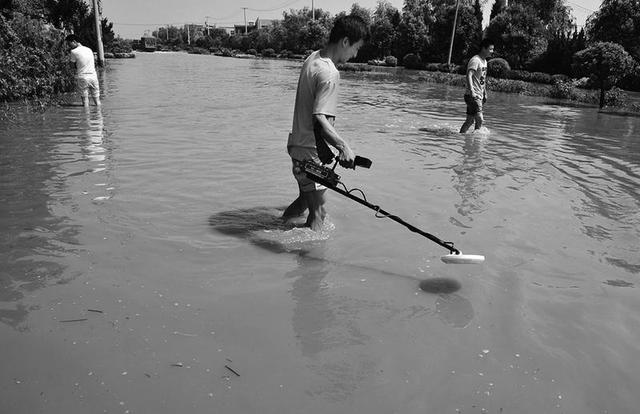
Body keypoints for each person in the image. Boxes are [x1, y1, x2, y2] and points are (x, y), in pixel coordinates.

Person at [282, 15, 368, 231]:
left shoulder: (313, 58)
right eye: (356, 48)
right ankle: (312, 262)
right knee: (318, 214)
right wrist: (343, 146)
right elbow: (319, 118)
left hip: (298, 149)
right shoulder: (330, 72)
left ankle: (277, 226)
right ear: (345, 41)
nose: (355, 55)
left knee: (304, 202)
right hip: (310, 154)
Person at [460, 38, 494, 133]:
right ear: (484, 48)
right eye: (490, 49)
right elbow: (469, 75)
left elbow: (482, 79)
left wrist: (485, 93)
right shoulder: (475, 60)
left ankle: (462, 136)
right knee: (480, 119)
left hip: (479, 94)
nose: (492, 51)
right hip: (473, 95)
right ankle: (476, 140)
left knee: (470, 121)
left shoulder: (485, 61)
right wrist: (472, 91)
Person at [65, 34, 101, 107]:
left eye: (69, 43)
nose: (69, 46)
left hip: (83, 77)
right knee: (97, 101)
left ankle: (86, 117)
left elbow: (71, 66)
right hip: (93, 77)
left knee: (85, 101)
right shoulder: (89, 49)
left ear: (74, 41)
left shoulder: (73, 51)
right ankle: (99, 117)